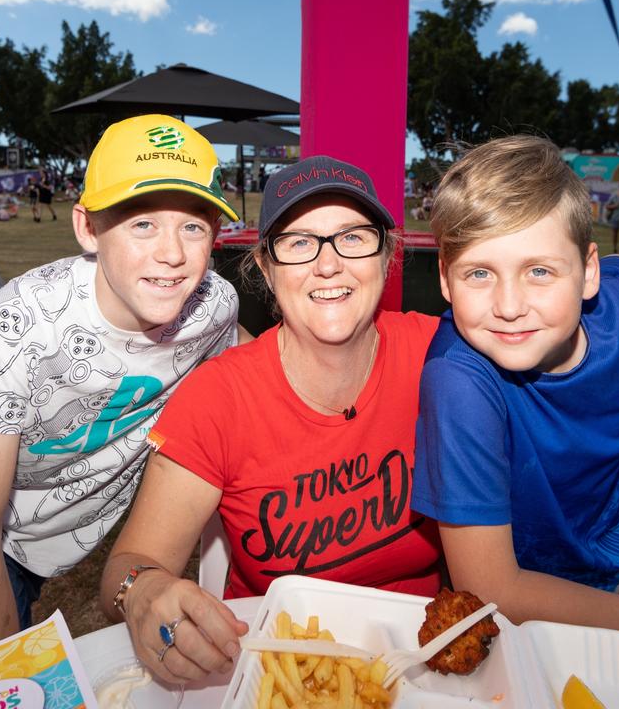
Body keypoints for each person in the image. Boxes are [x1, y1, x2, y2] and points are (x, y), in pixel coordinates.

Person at [100, 155, 442, 685]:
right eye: (299, 242)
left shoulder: (439, 356)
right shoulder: (218, 398)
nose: (328, 265)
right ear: (265, 266)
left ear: (387, 253)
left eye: (352, 237)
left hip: (428, 664)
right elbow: (129, 564)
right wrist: (141, 592)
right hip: (270, 669)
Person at [0, 115, 243, 657]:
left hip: (70, 529)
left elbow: (253, 367)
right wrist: (15, 676)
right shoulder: (25, 323)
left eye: (194, 226)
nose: (173, 253)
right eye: (142, 223)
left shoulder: (213, 304)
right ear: (88, 228)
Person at [411, 135, 619, 646]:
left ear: (589, 271)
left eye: (540, 271)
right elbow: (491, 588)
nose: (508, 305)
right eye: (479, 273)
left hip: (605, 548)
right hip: (515, 595)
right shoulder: (460, 379)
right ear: (445, 278)